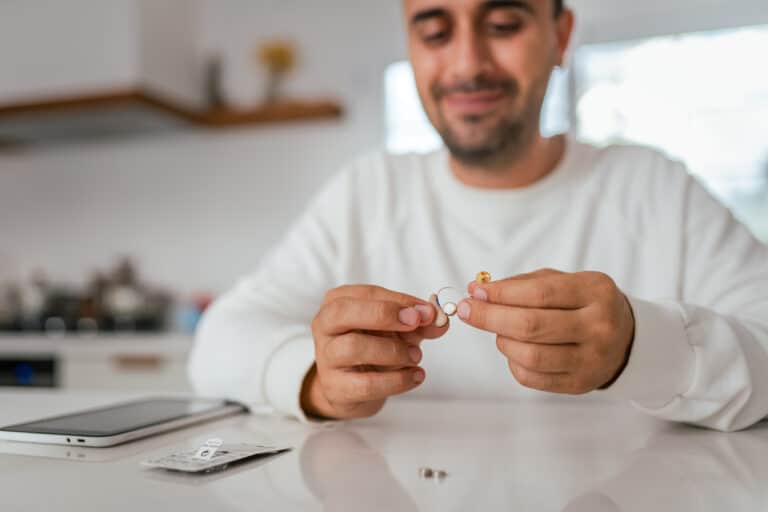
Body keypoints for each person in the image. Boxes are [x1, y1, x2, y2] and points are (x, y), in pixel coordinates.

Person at [188, 0, 768, 431]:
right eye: (436, 32)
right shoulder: (367, 194)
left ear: (561, 36)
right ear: (411, 46)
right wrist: (315, 378)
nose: (468, 63)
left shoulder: (655, 188)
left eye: (503, 25)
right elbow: (219, 343)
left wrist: (640, 347)